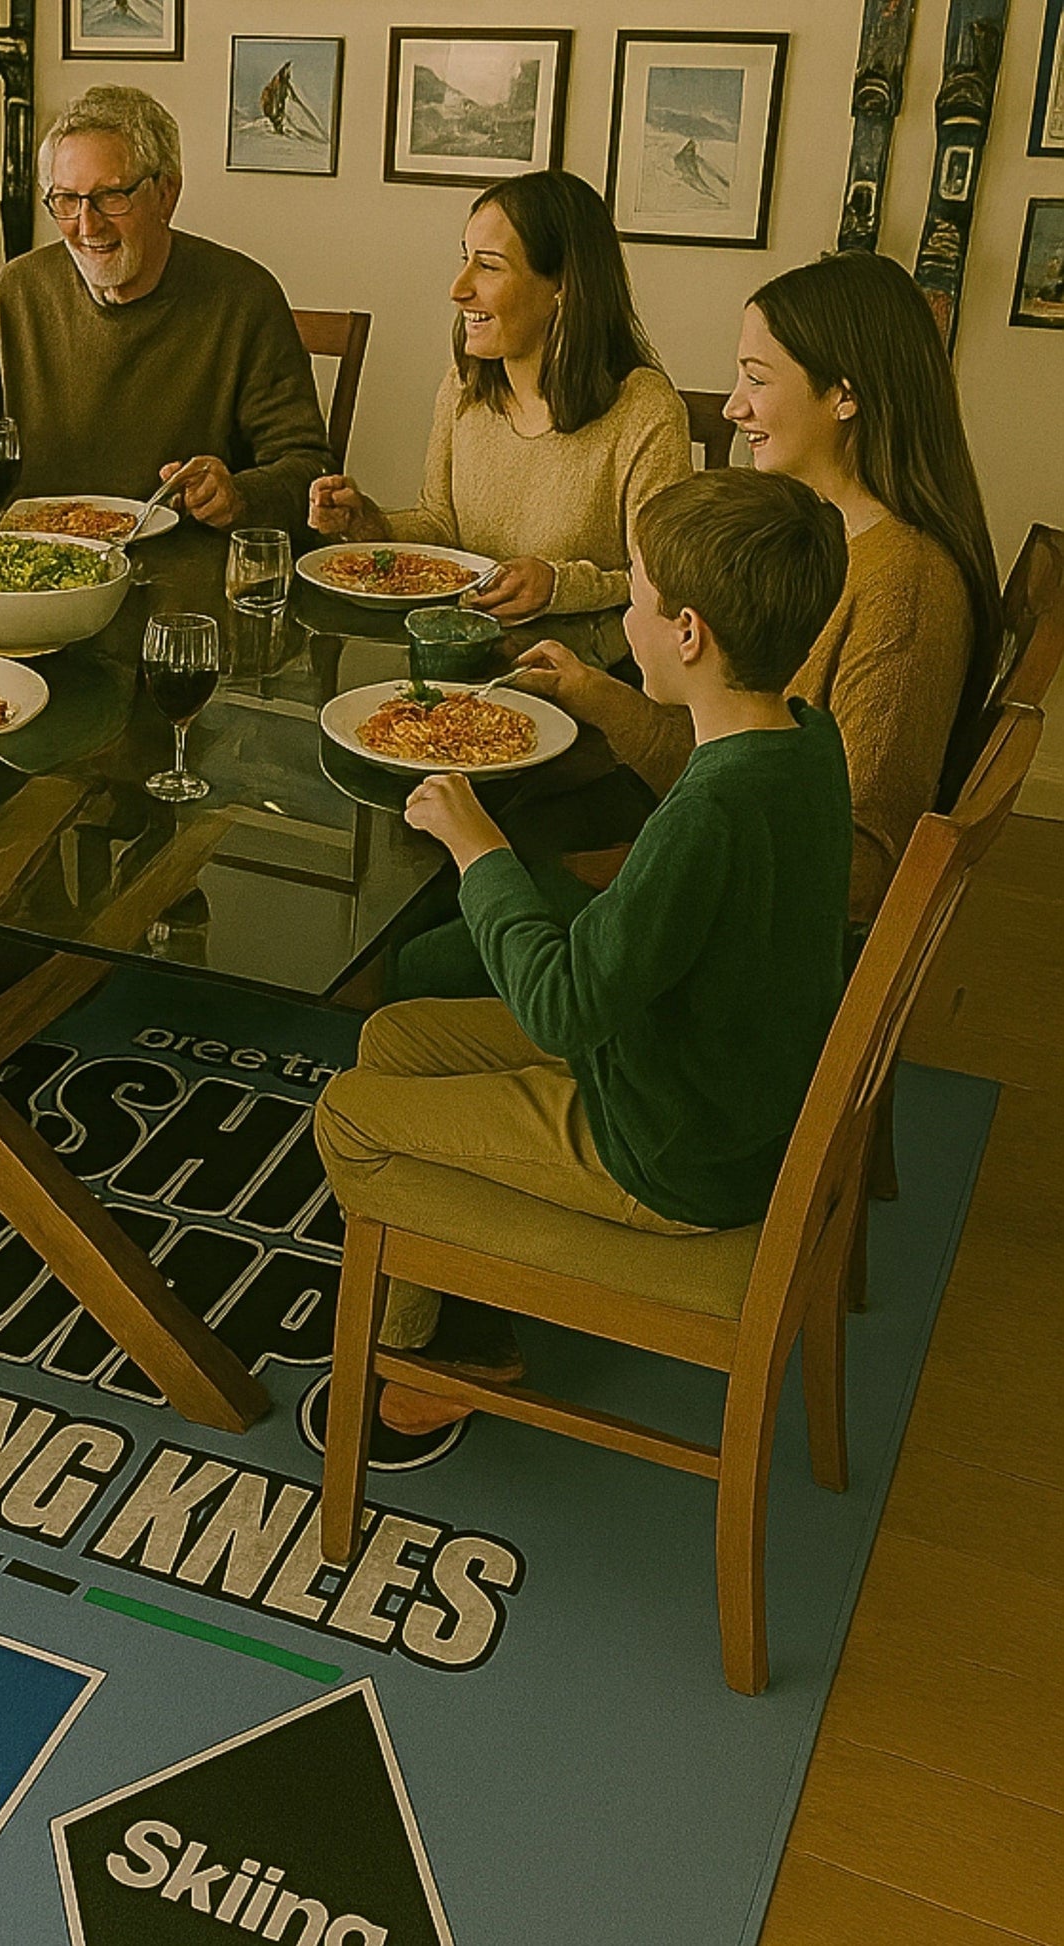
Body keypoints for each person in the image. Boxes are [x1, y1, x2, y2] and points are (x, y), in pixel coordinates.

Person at [316, 469, 852, 1433]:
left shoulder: (707, 816)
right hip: (704, 1082)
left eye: (639, 596)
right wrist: (599, 691)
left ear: (689, 633)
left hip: (668, 1149)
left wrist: (477, 845)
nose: (630, 615)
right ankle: (440, 1300)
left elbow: (560, 1006)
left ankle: (440, 1343)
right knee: (395, 1037)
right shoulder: (804, 743)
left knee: (349, 1115)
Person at [514, 250, 999, 923]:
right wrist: (593, 692)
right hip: (706, 858)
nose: (735, 406)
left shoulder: (904, 588)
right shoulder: (828, 540)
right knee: (506, 832)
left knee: (472, 894)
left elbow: (857, 867)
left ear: (845, 395)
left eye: (757, 379)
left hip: (731, 934)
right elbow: (738, 749)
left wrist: (644, 876)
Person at [0, 85, 329, 534]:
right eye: (66, 200)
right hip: (35, 565)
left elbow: (307, 466)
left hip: (182, 573)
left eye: (111, 197)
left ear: (166, 193)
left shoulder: (244, 298)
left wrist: (239, 496)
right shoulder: (18, 291)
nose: (87, 225)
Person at [308, 169, 689, 653]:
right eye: (465, 260)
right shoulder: (462, 388)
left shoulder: (644, 410)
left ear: (562, 287)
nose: (458, 288)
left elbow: (662, 587)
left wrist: (557, 586)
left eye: (488, 266)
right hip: (465, 655)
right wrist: (370, 526)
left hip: (585, 673)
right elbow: (441, 529)